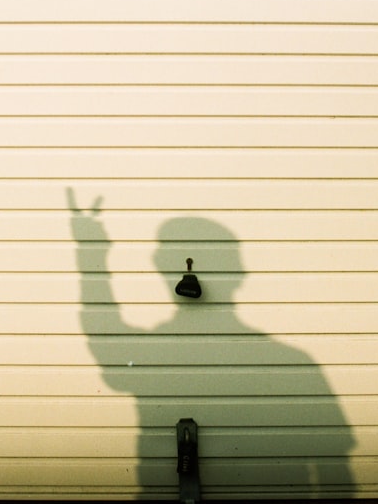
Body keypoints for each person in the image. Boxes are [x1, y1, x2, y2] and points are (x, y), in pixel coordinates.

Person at [67, 189, 354, 496]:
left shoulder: (149, 353)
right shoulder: (294, 361)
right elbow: (336, 469)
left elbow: (106, 342)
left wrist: (91, 257)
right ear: (240, 273)